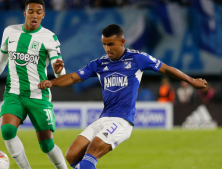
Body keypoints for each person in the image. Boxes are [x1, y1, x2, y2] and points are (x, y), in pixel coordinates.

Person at [38, 24, 207, 169]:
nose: (107, 48)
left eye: (111, 44)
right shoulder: (99, 63)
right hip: (103, 119)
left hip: (122, 121)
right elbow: (74, 77)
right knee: (72, 155)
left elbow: (166, 68)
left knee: (94, 148)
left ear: (122, 42)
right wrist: (52, 82)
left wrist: (191, 80)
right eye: (104, 44)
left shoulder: (137, 58)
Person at [0, 0, 68, 169]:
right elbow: (1, 59)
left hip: (38, 95)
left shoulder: (50, 37)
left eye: (38, 12)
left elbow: (60, 74)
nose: (34, 15)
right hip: (14, 93)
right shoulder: (10, 32)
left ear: (43, 15)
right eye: (31, 11)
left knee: (46, 145)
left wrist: (58, 70)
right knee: (7, 131)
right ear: (24, 13)